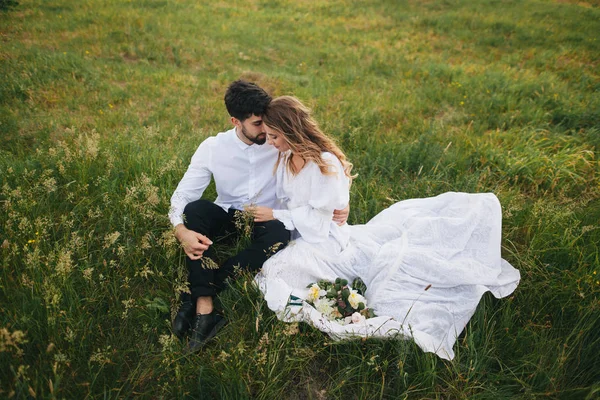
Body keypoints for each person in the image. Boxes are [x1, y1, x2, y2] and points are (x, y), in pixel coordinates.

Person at [250, 96, 521, 360]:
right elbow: (296, 201)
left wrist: (278, 214)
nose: (270, 143)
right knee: (276, 269)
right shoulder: (285, 160)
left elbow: (321, 222)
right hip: (300, 232)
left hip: (325, 237)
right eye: (269, 136)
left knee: (279, 270)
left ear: (291, 131)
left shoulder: (325, 162)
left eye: (274, 136)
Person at [168, 80, 348, 353]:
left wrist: (340, 200)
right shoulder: (213, 148)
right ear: (235, 121)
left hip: (268, 220)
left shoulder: (279, 141)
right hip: (229, 215)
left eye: (267, 123)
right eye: (256, 124)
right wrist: (181, 230)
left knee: (278, 236)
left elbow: (323, 161)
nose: (265, 130)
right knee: (194, 211)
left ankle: (196, 297)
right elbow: (181, 197)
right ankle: (205, 306)